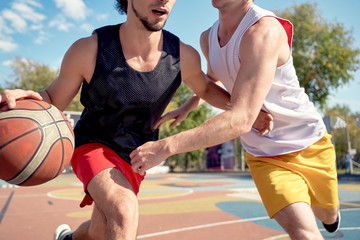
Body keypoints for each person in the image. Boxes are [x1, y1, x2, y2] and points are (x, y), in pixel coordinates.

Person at [0, 0, 273, 239]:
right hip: (92, 145)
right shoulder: (89, 50)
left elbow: (205, 89)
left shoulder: (183, 56)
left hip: (137, 156)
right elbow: (52, 97)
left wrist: (249, 111)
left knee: (100, 231)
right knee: (124, 210)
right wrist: (28, 99)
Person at [130, 1, 340, 239]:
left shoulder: (263, 31)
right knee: (304, 233)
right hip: (264, 155)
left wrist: (165, 147)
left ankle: (331, 216)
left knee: (328, 215)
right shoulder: (208, 38)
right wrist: (188, 107)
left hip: (309, 143)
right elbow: (212, 81)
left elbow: (240, 119)